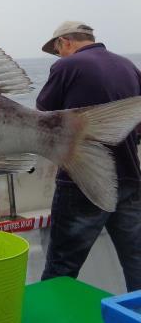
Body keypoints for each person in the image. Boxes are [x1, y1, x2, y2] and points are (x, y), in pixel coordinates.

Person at [38, 21, 141, 291]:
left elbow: (42, 116)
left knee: (62, 268)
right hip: (130, 179)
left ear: (65, 42)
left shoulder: (66, 66)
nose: (59, 55)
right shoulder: (128, 67)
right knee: (137, 262)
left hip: (83, 182)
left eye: (58, 49)